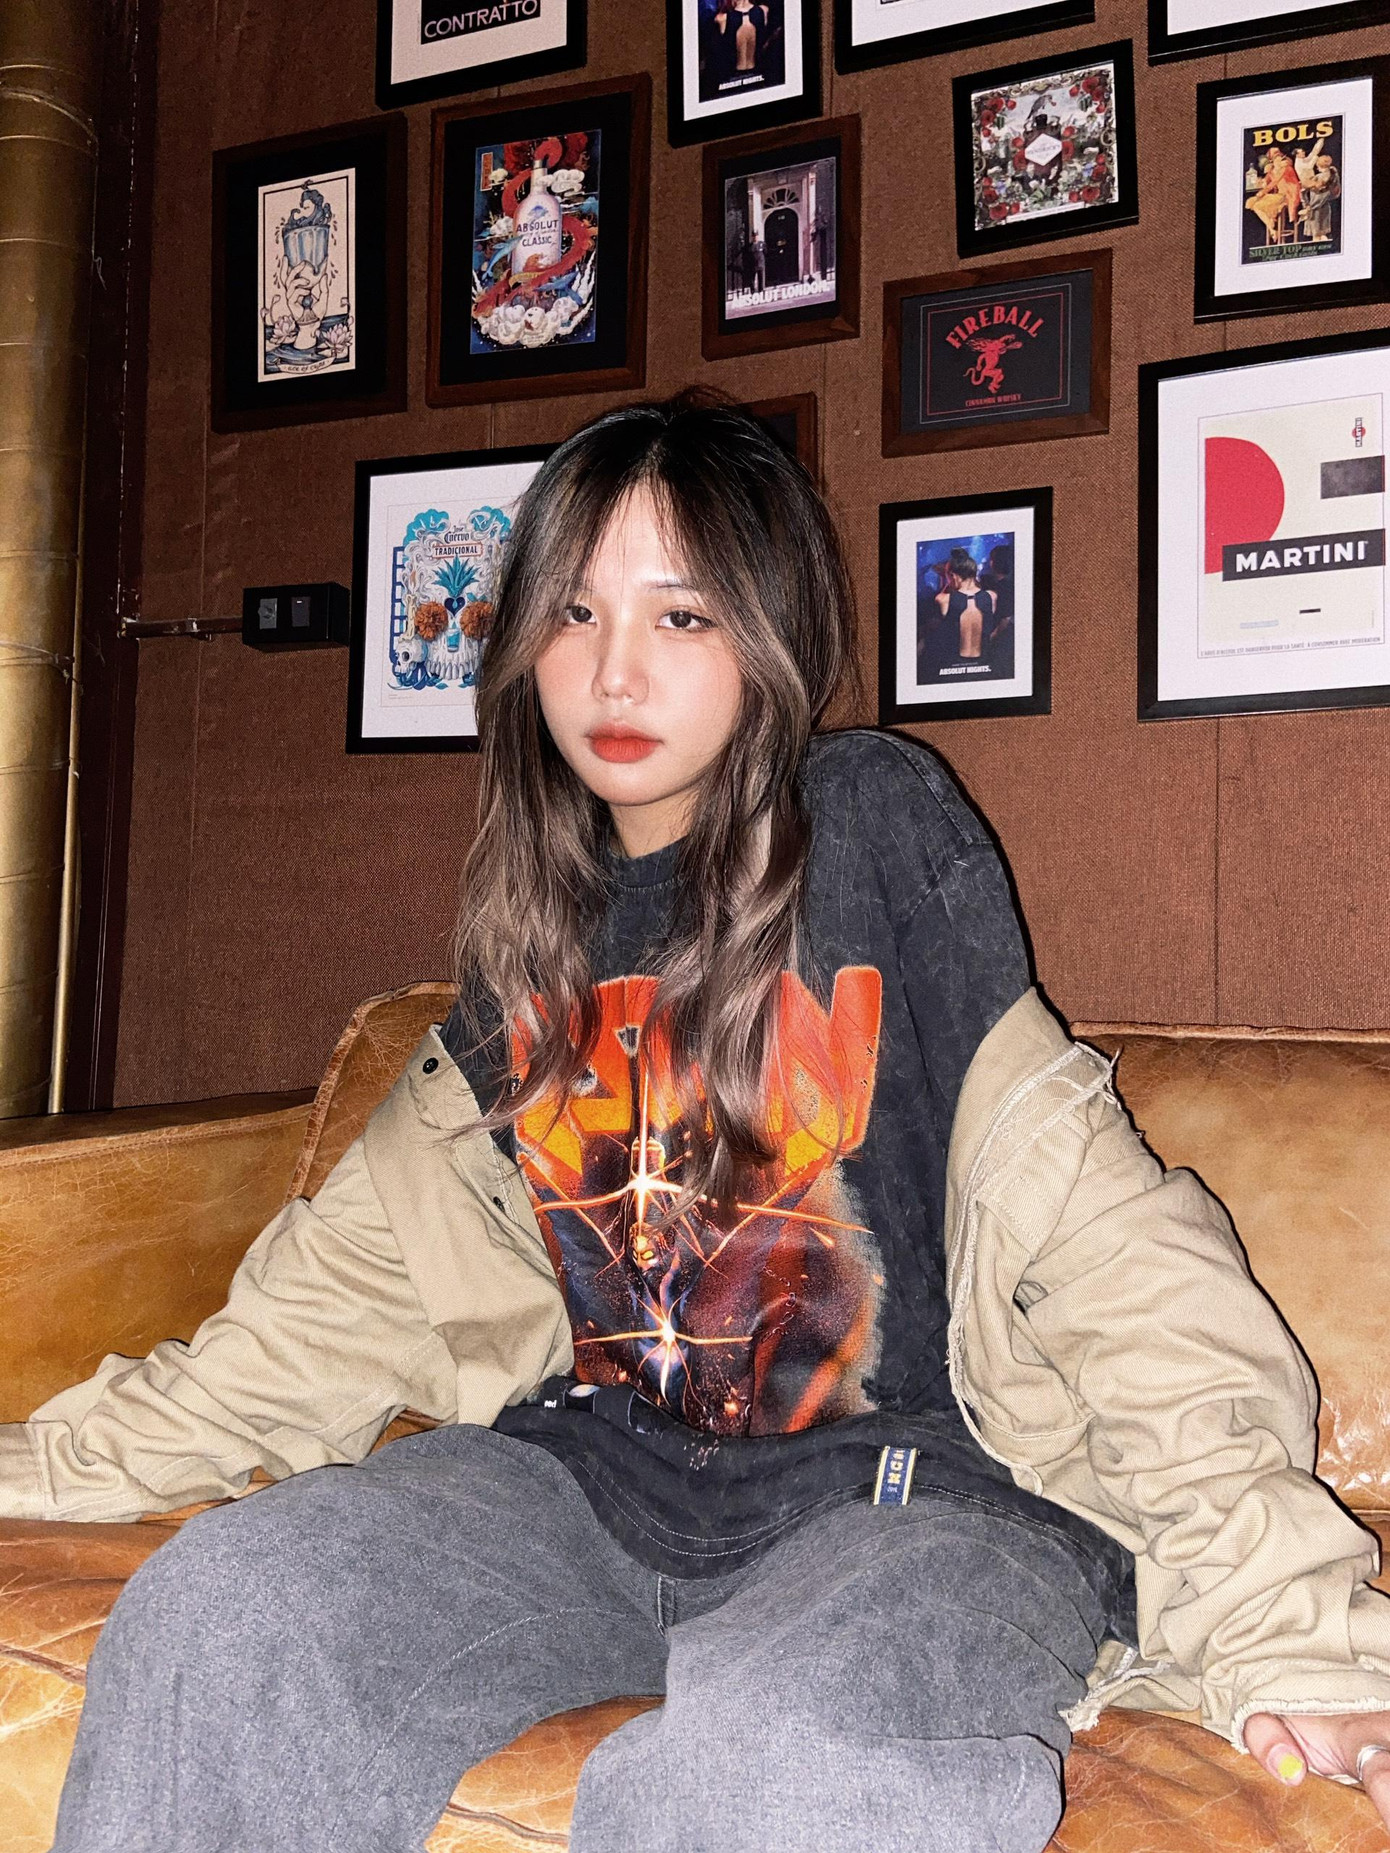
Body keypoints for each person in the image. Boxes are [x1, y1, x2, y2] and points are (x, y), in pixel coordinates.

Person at [4, 388, 1390, 1853]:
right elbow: (313, 1320)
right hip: (583, 1486)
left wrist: (1294, 1634)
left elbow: (1116, 1255)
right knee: (229, 1613)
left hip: (911, 1508)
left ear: (768, 638)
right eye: (573, 611)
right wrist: (38, 1466)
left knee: (771, 1763)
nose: (613, 668)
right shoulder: (526, 945)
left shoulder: (870, 829)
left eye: (680, 616)